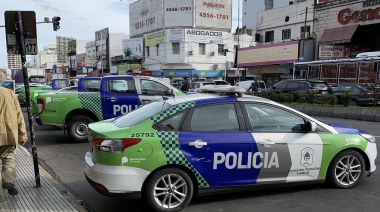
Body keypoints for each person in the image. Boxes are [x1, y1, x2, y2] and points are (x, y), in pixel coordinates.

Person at [0, 71, 27, 202]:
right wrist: (22, 135)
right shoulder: (9, 93)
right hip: (8, 133)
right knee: (8, 158)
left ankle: (0, 196)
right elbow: (19, 115)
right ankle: (9, 180)